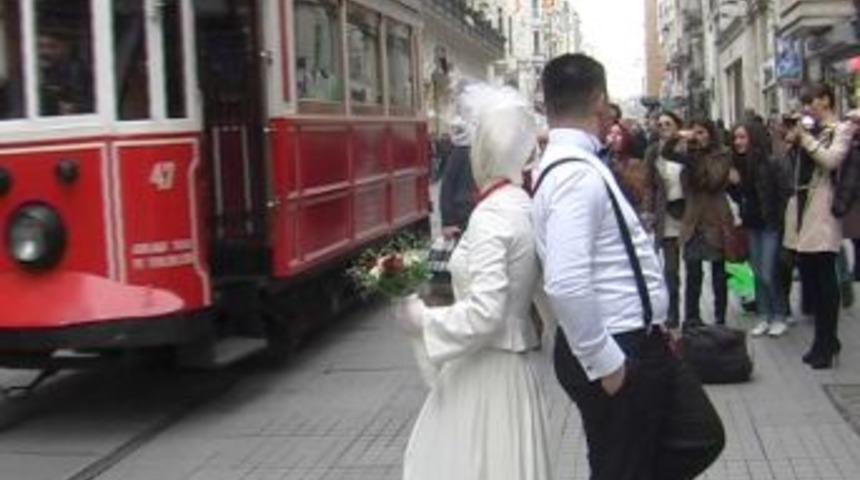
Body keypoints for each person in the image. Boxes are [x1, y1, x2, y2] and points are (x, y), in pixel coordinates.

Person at [532, 53, 723, 480]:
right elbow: (565, 282)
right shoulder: (574, 176)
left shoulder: (580, 166)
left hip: (636, 337)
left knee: (697, 435)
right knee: (623, 464)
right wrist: (607, 364)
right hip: (616, 345)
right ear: (600, 100)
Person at [398, 84, 552, 480]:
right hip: (510, 371)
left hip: (486, 373)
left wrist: (422, 319)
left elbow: (486, 315)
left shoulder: (492, 216)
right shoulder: (521, 205)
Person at [784, 83, 857, 369]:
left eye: (811, 101)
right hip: (804, 206)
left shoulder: (841, 129)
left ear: (826, 100)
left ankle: (827, 342)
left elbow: (831, 160)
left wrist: (806, 140)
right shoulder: (811, 130)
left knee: (825, 272)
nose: (808, 107)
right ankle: (823, 340)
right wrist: (793, 140)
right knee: (810, 271)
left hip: (824, 205)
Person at [664, 118, 734, 326]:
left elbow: (712, 181)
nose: (698, 137)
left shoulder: (722, 154)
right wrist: (677, 137)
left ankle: (720, 318)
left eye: (702, 133)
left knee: (718, 275)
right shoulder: (690, 154)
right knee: (693, 274)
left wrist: (696, 157)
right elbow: (666, 154)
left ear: (711, 134)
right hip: (693, 221)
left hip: (715, 219)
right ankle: (692, 318)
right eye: (695, 133)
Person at [731, 121, 790, 336]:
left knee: (768, 271)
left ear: (753, 138)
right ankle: (764, 316)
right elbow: (740, 198)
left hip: (770, 224)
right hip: (752, 224)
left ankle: (780, 315)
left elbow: (783, 192)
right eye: (736, 138)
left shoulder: (770, 163)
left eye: (742, 137)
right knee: (757, 272)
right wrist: (734, 184)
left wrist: (780, 220)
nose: (738, 142)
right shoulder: (738, 165)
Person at [645, 111, 684, 327]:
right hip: (666, 214)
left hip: (689, 213)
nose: (664, 127)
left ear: (677, 126)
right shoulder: (653, 152)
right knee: (671, 270)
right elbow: (649, 184)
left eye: (668, 123)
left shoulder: (687, 148)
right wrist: (648, 212)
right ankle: (673, 313)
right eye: (660, 124)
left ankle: (695, 315)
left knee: (696, 267)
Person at [606, 121, 663, 237]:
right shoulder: (602, 162)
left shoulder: (634, 164)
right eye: (610, 134)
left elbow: (641, 192)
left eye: (618, 134)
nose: (614, 138)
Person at [38, 30, 93, 116]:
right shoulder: (33, 72)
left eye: (52, 47)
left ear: (65, 48)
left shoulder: (76, 72)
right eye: (40, 47)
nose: (45, 52)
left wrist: (74, 108)